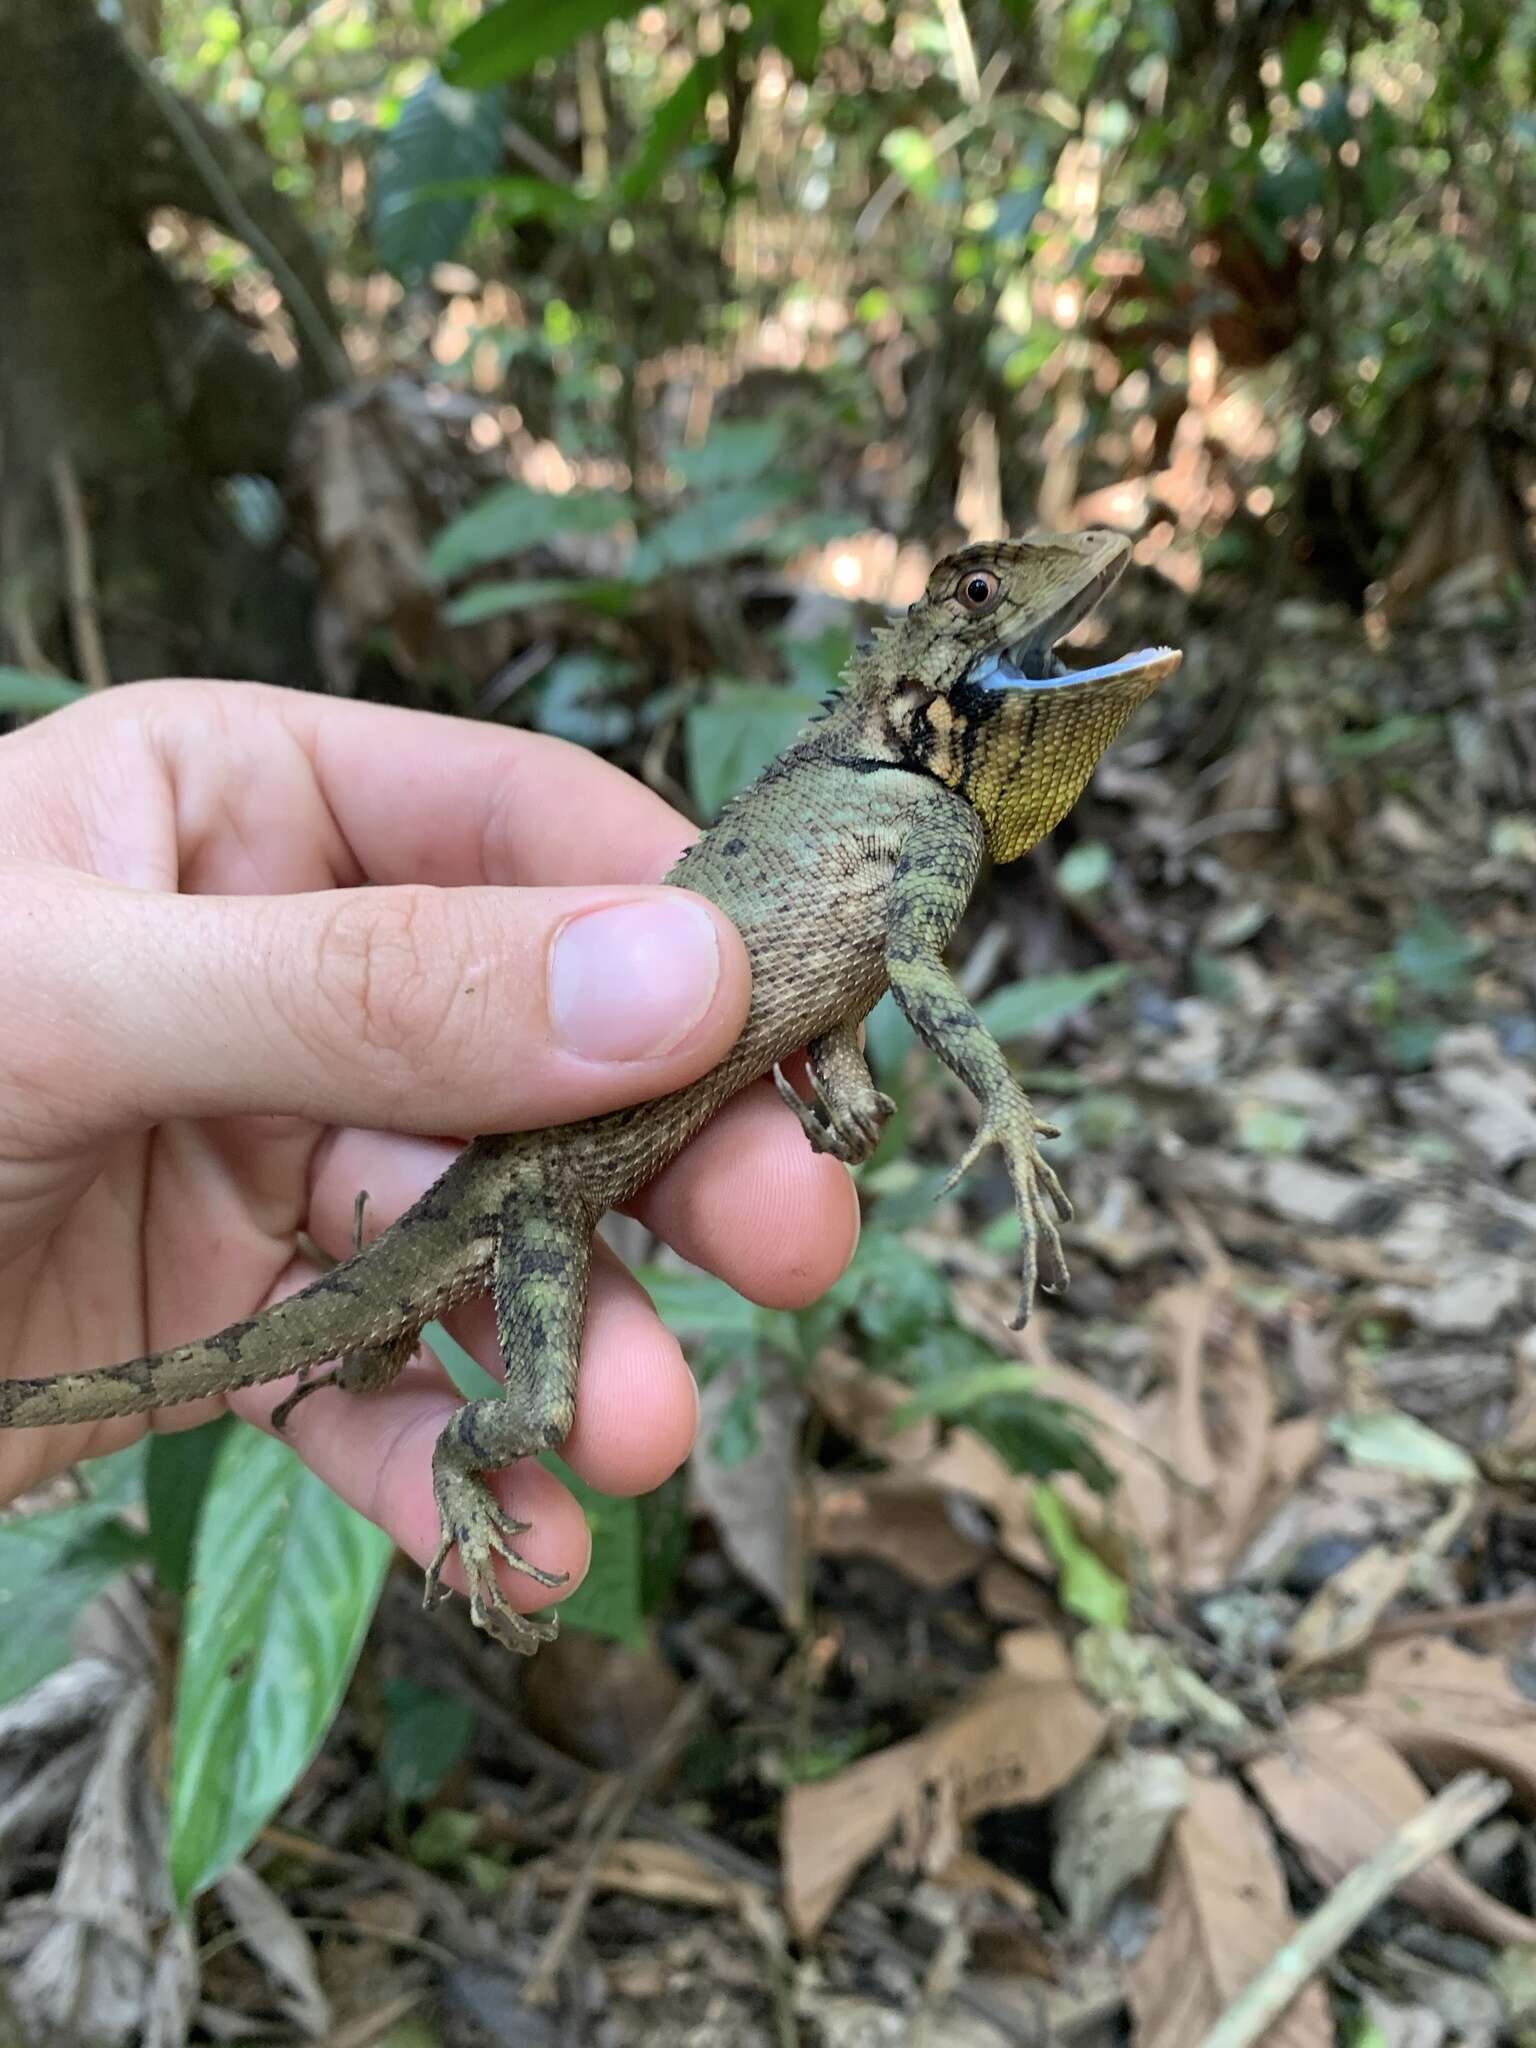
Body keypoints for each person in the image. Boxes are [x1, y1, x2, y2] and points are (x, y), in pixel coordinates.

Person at [0, 680, 858, 1622]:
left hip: (522, 1189)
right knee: (539, 1414)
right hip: (530, 1194)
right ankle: (450, 1458)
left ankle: (375, 1337)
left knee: (504, 1374)